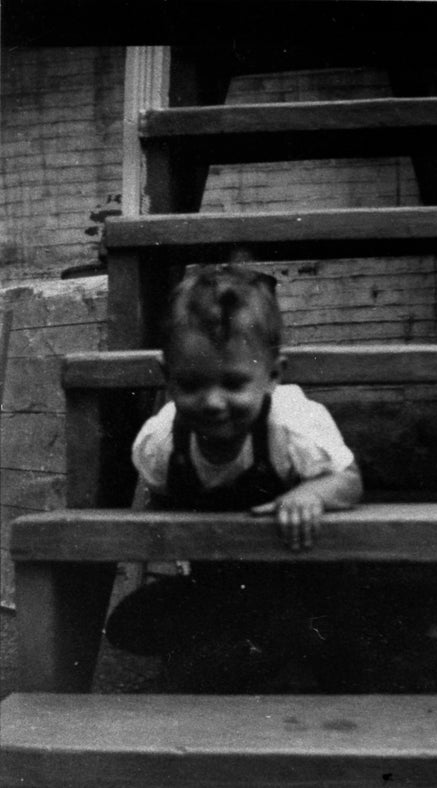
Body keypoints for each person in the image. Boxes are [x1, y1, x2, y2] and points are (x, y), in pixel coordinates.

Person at [105, 263, 363, 691]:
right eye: (191, 384)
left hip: (296, 573)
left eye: (234, 382)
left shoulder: (293, 425)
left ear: (273, 376)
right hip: (218, 575)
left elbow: (349, 478)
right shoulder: (160, 440)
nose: (212, 402)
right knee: (130, 623)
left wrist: (312, 493)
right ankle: (223, 652)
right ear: (166, 376)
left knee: (320, 639)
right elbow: (161, 494)